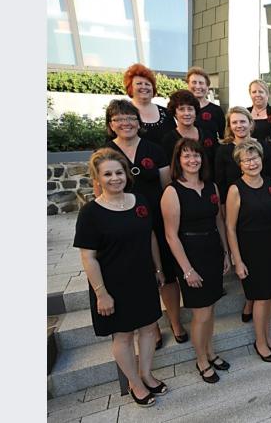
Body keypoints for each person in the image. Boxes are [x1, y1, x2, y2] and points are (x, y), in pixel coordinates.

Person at [74, 148, 167, 407]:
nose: (115, 178)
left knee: (149, 328)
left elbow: (150, 237)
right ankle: (134, 383)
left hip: (143, 277)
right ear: (97, 178)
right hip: (113, 284)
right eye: (107, 174)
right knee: (123, 335)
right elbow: (88, 257)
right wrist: (101, 293)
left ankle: (146, 374)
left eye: (119, 172)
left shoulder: (139, 201)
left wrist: (158, 269)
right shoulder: (90, 213)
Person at [104, 100, 185, 348]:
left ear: (139, 122)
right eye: (119, 119)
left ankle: (175, 321)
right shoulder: (106, 152)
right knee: (141, 275)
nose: (126, 123)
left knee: (168, 274)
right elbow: (100, 190)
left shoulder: (153, 148)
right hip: (125, 224)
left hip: (157, 220)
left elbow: (166, 185)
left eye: (131, 118)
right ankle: (151, 328)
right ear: (111, 124)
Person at [161, 138, 231, 384]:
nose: (193, 160)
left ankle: (210, 352)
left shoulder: (211, 187)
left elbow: (219, 221)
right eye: (187, 156)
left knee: (210, 310)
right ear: (178, 161)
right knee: (200, 314)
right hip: (190, 255)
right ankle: (201, 360)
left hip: (212, 250)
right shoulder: (172, 191)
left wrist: (225, 252)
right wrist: (187, 270)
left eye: (196, 155)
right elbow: (171, 235)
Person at [225, 139, 271, 363]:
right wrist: (237, 261)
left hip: (270, 245)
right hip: (250, 248)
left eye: (254, 157)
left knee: (270, 296)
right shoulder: (235, 189)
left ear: (261, 158)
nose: (251, 163)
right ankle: (260, 342)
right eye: (246, 160)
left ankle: (267, 336)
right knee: (260, 297)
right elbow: (230, 228)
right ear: (240, 164)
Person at [163, 90, 217, 174]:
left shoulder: (208, 135)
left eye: (190, 109)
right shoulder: (168, 140)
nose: (187, 113)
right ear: (175, 113)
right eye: (181, 109)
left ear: (196, 111)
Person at [123, 63, 174, 146]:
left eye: (147, 84)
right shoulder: (122, 113)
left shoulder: (166, 113)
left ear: (153, 88)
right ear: (130, 88)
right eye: (139, 83)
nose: (144, 87)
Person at [187, 66, 225, 141]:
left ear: (207, 87)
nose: (197, 86)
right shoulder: (181, 110)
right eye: (194, 82)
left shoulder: (217, 110)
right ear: (188, 85)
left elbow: (223, 137)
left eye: (201, 83)